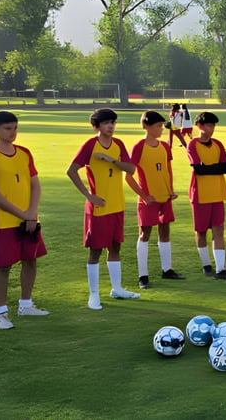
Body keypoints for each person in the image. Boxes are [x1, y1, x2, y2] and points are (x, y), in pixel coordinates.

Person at [0, 111, 49, 330]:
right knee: (4, 266)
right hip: (4, 221)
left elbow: (35, 185)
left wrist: (31, 213)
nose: (13, 132)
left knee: (31, 259)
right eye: (8, 128)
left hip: (28, 218)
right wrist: (23, 214)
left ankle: (25, 304)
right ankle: (0, 312)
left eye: (15, 128)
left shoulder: (25, 153)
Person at [67, 108, 140, 310]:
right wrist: (89, 195)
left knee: (115, 247)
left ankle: (116, 288)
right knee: (95, 251)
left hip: (117, 205)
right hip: (99, 208)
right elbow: (71, 170)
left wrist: (112, 161)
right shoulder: (90, 145)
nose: (111, 126)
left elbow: (131, 169)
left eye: (113, 122)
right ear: (96, 126)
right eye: (107, 123)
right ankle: (94, 295)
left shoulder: (118, 145)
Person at [125, 111, 186, 290]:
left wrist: (171, 190)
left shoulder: (165, 147)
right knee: (144, 234)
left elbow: (168, 170)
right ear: (146, 126)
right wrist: (144, 196)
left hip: (164, 198)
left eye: (162, 126)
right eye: (158, 126)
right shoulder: (138, 147)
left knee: (165, 232)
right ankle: (143, 276)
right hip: (148, 201)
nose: (161, 129)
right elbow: (128, 177)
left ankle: (166, 269)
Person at [186, 111, 226, 279]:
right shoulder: (192, 145)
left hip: (218, 192)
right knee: (200, 232)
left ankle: (220, 269)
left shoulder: (218, 144)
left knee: (218, 230)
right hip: (200, 194)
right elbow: (198, 169)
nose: (212, 128)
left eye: (213, 125)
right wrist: (214, 168)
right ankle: (206, 265)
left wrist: (209, 168)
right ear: (199, 126)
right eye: (209, 125)